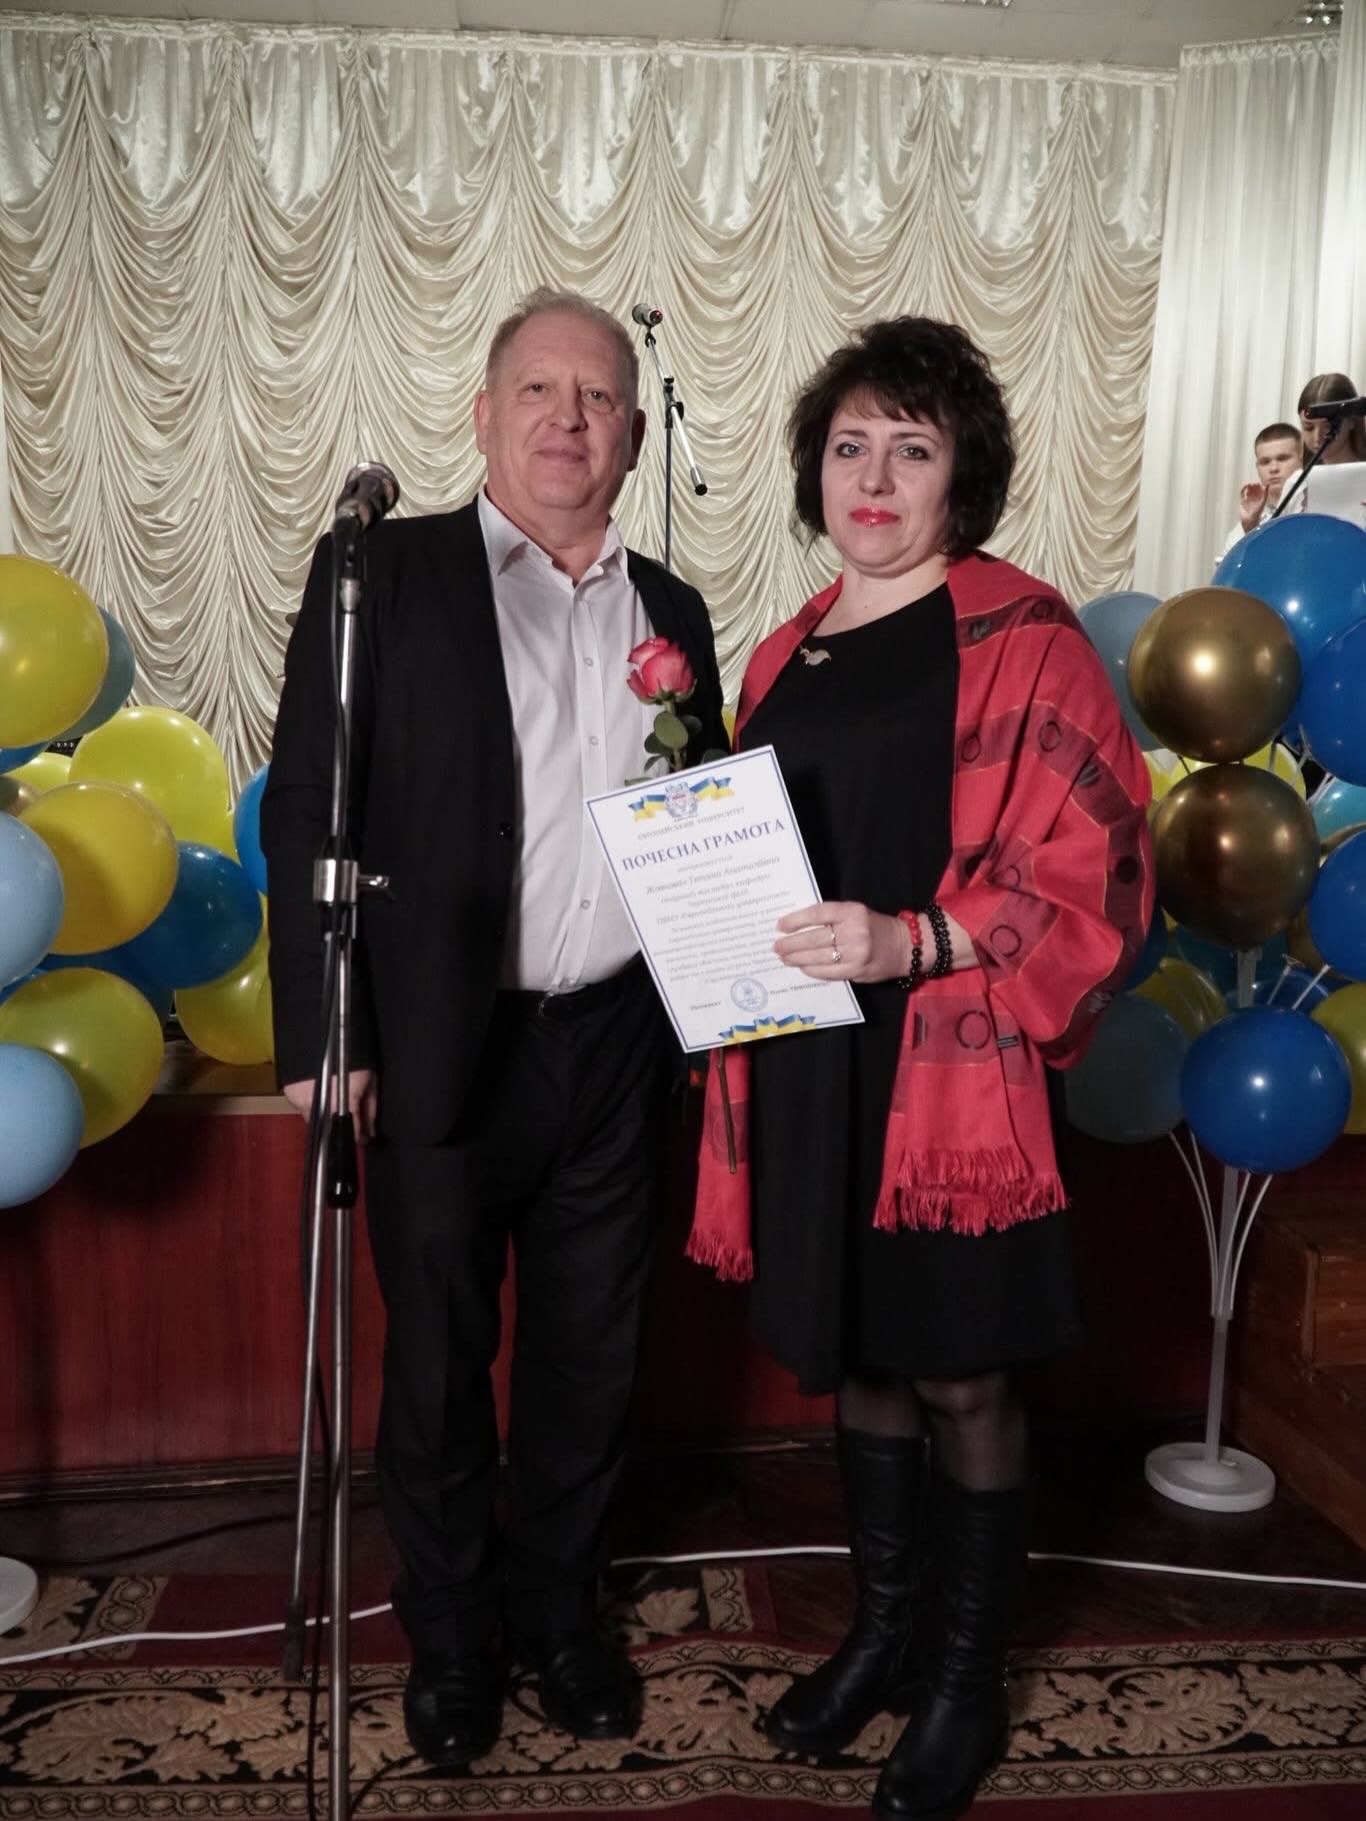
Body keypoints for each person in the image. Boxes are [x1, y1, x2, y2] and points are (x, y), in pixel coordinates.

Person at [686, 318, 1152, 1821]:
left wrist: (919, 939)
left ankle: (963, 1679)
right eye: (848, 447)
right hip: (812, 1058)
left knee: (959, 1368)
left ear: (964, 474)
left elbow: (1105, 865)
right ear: (813, 470)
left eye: (910, 446)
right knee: (866, 1354)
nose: (873, 478)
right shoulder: (783, 649)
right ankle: (882, 1635)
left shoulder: (1024, 634)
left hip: (953, 1060)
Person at [262, 289, 726, 1771]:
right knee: (440, 1362)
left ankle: (560, 1618)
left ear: (632, 434)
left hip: (616, 1045)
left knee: (592, 1359)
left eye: (595, 398)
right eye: (537, 390)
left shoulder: (675, 612)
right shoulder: (378, 575)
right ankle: (453, 1640)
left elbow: (698, 824)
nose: (565, 420)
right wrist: (324, 1031)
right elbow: (307, 804)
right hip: (439, 1040)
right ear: (483, 414)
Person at [1219, 421, 1302, 558]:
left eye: (1282, 458)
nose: (1273, 468)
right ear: (1257, 467)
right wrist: (1251, 527)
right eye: (1265, 462)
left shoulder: (1319, 511)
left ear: (1302, 460)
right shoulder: (1240, 533)